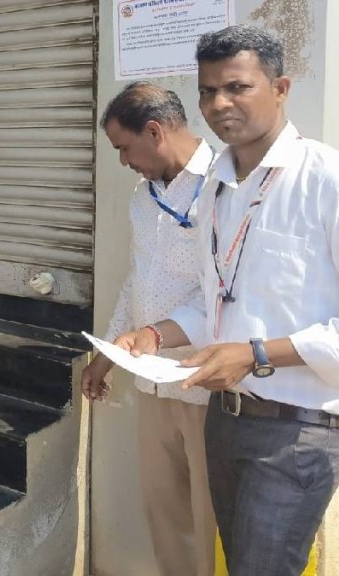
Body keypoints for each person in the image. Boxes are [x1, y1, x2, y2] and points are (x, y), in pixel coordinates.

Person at [114, 26, 339, 575]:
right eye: (208, 91)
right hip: (226, 418)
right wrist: (156, 334)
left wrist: (255, 354)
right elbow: (216, 302)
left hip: (296, 430)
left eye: (237, 87)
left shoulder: (326, 179)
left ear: (280, 89)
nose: (219, 104)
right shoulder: (219, 187)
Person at [83, 82, 216, 576]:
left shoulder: (226, 186)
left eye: (124, 148)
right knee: (164, 510)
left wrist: (159, 334)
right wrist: (106, 356)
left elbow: (226, 291)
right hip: (153, 381)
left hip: (207, 383)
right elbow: (137, 281)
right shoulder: (143, 198)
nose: (122, 162)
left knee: (212, 515)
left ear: (155, 131)